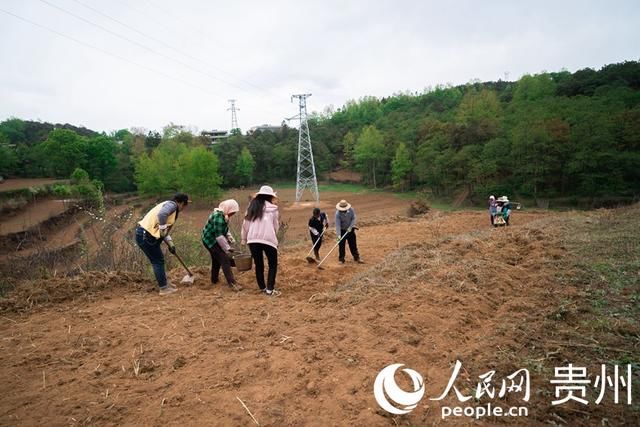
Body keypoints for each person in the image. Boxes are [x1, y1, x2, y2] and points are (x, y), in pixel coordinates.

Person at [135, 193, 189, 295]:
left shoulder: (170, 207)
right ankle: (164, 288)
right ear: (181, 203)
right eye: (185, 205)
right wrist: (163, 228)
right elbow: (162, 215)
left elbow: (164, 232)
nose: (185, 207)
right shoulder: (172, 205)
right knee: (157, 261)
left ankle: (165, 284)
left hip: (146, 234)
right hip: (145, 235)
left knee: (158, 260)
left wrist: (171, 244)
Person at [241, 185, 280, 296]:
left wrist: (244, 238)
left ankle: (262, 287)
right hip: (268, 239)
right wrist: (273, 236)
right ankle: (270, 289)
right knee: (272, 264)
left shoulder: (252, 207)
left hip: (253, 239)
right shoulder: (273, 209)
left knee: (259, 264)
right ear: (270, 197)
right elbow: (275, 226)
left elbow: (245, 225)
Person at [201, 199, 242, 291]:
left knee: (216, 259)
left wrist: (230, 238)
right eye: (232, 212)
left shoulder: (223, 215)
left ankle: (214, 280)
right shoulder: (218, 216)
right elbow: (219, 236)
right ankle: (232, 284)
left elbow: (224, 230)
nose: (233, 214)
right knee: (224, 259)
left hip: (213, 239)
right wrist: (227, 248)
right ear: (228, 209)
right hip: (210, 240)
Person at [335, 199, 363, 264]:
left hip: (350, 229)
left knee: (353, 244)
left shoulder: (351, 210)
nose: (343, 211)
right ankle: (341, 259)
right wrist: (338, 235)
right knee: (341, 244)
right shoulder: (337, 214)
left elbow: (353, 218)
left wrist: (350, 227)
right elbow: (338, 225)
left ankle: (356, 257)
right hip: (342, 230)